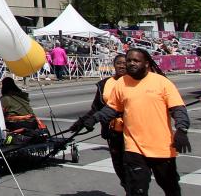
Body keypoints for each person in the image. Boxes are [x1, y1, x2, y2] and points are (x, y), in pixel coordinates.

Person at [72, 47, 190, 196]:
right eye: (129, 60)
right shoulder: (122, 83)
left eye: (136, 60)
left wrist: (182, 130)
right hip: (133, 147)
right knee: (137, 190)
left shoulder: (162, 82)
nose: (131, 63)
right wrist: (93, 119)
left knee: (170, 188)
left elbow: (178, 108)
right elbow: (112, 108)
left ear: (146, 63)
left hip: (162, 147)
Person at [73, 53, 127, 190]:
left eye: (124, 63)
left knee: (134, 167)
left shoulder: (135, 82)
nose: (122, 66)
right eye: (118, 63)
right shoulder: (105, 84)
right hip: (112, 132)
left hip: (132, 132)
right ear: (114, 65)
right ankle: (128, 187)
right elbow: (96, 108)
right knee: (119, 166)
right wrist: (81, 123)